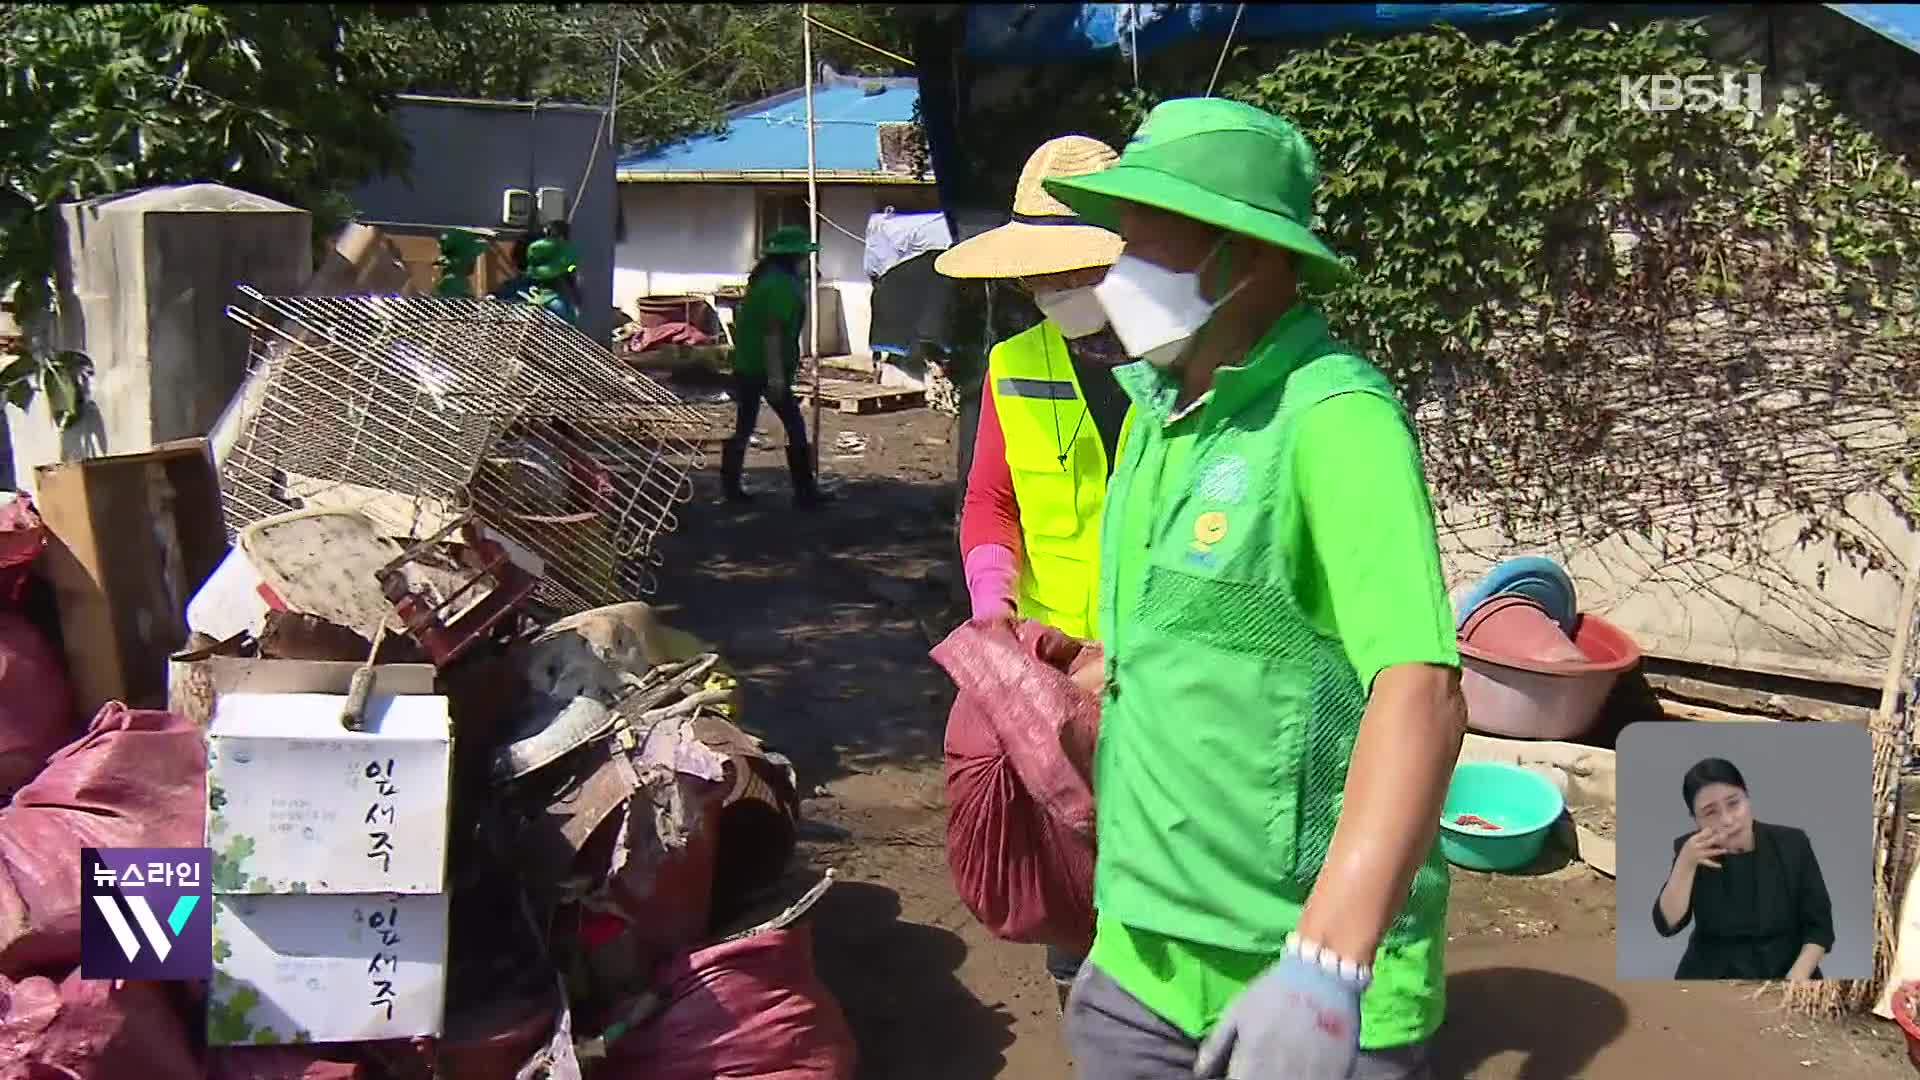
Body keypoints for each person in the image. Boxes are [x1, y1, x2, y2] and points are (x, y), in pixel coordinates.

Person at [1042, 97, 1467, 1080]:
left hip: (1299, 985)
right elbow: (1185, 638)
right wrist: (1086, 676)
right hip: (1139, 961)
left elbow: (1424, 691)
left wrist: (1327, 967)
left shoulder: (1334, 420)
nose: (1120, 274)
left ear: (1250, 255)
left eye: (1152, 246)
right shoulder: (1157, 415)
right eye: (1122, 243)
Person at [933, 134, 1132, 1013]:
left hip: (1164, 660)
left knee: (1160, 859)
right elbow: (992, 502)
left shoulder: (1186, 367)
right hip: (1054, 664)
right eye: (1040, 274)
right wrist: (992, 604)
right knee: (1065, 854)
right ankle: (1085, 1015)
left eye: (1074, 268)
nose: (1055, 289)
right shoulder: (1016, 368)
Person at [1653, 757, 1834, 980]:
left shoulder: (1792, 844)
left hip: (1787, 967)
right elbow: (1667, 924)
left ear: (1747, 797)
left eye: (1734, 803)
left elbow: (1820, 927)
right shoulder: (1691, 850)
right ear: (1696, 820)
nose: (1728, 820)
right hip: (1712, 972)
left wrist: (1797, 976)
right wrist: (1685, 863)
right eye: (1711, 812)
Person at [722, 225, 831, 507]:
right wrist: (776, 377)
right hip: (764, 366)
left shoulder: (764, 279)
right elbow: (773, 333)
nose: (809, 262)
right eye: (805, 257)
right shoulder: (782, 286)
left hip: (746, 363)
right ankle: (805, 493)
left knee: (744, 425)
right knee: (794, 425)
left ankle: (730, 488)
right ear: (794, 258)